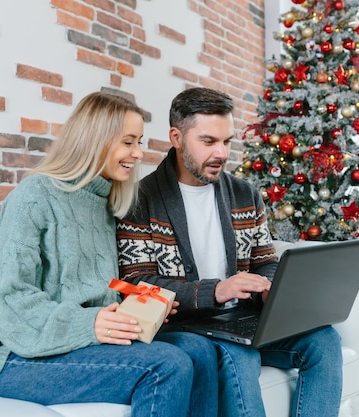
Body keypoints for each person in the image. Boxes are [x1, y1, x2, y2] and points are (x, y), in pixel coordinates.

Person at [0, 91, 219, 417]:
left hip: (75, 343)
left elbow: (94, 287)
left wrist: (141, 300)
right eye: (128, 142)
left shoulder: (104, 203)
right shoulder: (34, 196)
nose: (139, 153)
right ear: (94, 140)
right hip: (17, 357)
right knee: (165, 365)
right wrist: (91, 324)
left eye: (139, 141)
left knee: (199, 349)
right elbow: (11, 301)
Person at [117, 87, 344, 417]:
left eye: (227, 141)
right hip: (187, 327)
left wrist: (269, 288)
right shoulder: (140, 200)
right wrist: (215, 291)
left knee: (324, 340)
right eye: (208, 141)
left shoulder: (244, 194)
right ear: (176, 137)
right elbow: (138, 286)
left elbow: (265, 260)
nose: (222, 153)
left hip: (243, 318)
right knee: (241, 356)